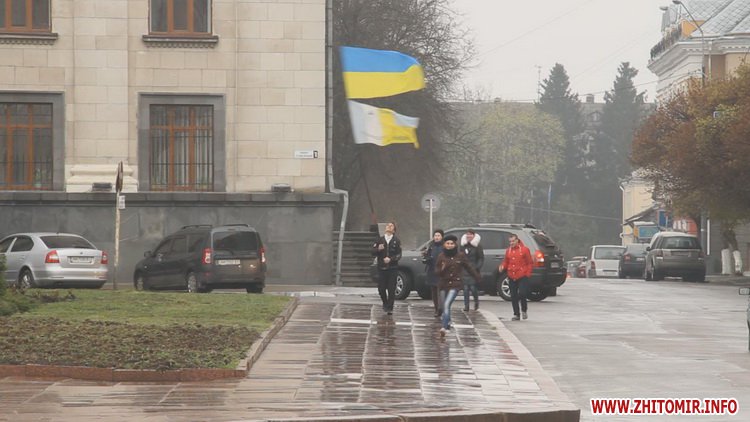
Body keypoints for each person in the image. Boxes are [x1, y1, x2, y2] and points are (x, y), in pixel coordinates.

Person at [436, 234, 481, 337]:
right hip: (443, 284)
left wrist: (477, 276)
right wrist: (442, 269)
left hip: (455, 284)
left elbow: (469, 267)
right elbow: (437, 272)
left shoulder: (460, 256)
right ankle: (448, 323)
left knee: (447, 304)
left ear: (455, 244)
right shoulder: (441, 256)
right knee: (443, 306)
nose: (450, 245)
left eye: (452, 243)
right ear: (444, 245)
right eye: (447, 243)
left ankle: (444, 327)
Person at [498, 233, 533, 321]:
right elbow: (506, 262)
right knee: (513, 296)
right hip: (511, 275)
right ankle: (516, 314)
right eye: (510, 241)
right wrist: (502, 266)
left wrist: (527, 273)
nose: (511, 243)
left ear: (517, 240)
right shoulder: (508, 251)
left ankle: (524, 310)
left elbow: (529, 263)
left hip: (522, 275)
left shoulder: (524, 250)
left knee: (522, 293)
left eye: (513, 241)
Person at [372, 222, 402, 315]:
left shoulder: (396, 240)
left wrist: (391, 259)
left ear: (394, 230)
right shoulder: (379, 240)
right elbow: (372, 252)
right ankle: (385, 302)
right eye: (388, 225)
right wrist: (378, 249)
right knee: (381, 289)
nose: (389, 226)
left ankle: (390, 307)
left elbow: (399, 254)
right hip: (381, 268)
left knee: (391, 289)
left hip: (393, 268)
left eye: (391, 225)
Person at [422, 229, 445, 317]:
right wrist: (425, 258)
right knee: (434, 291)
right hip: (432, 270)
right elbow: (427, 258)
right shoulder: (430, 246)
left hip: (441, 272)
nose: (437, 237)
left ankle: (440, 308)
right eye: (435, 235)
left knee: (440, 290)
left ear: (442, 237)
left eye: (438, 235)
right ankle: (436, 309)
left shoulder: (444, 246)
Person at [460, 229, 484, 311]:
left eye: (470, 234)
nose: (469, 236)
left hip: (473, 270)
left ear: (474, 236)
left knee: (473, 288)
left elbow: (481, 258)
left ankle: (476, 302)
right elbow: (460, 256)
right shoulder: (463, 246)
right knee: (465, 288)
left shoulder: (477, 246)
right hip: (464, 270)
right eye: (467, 234)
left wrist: (477, 267)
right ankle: (466, 306)